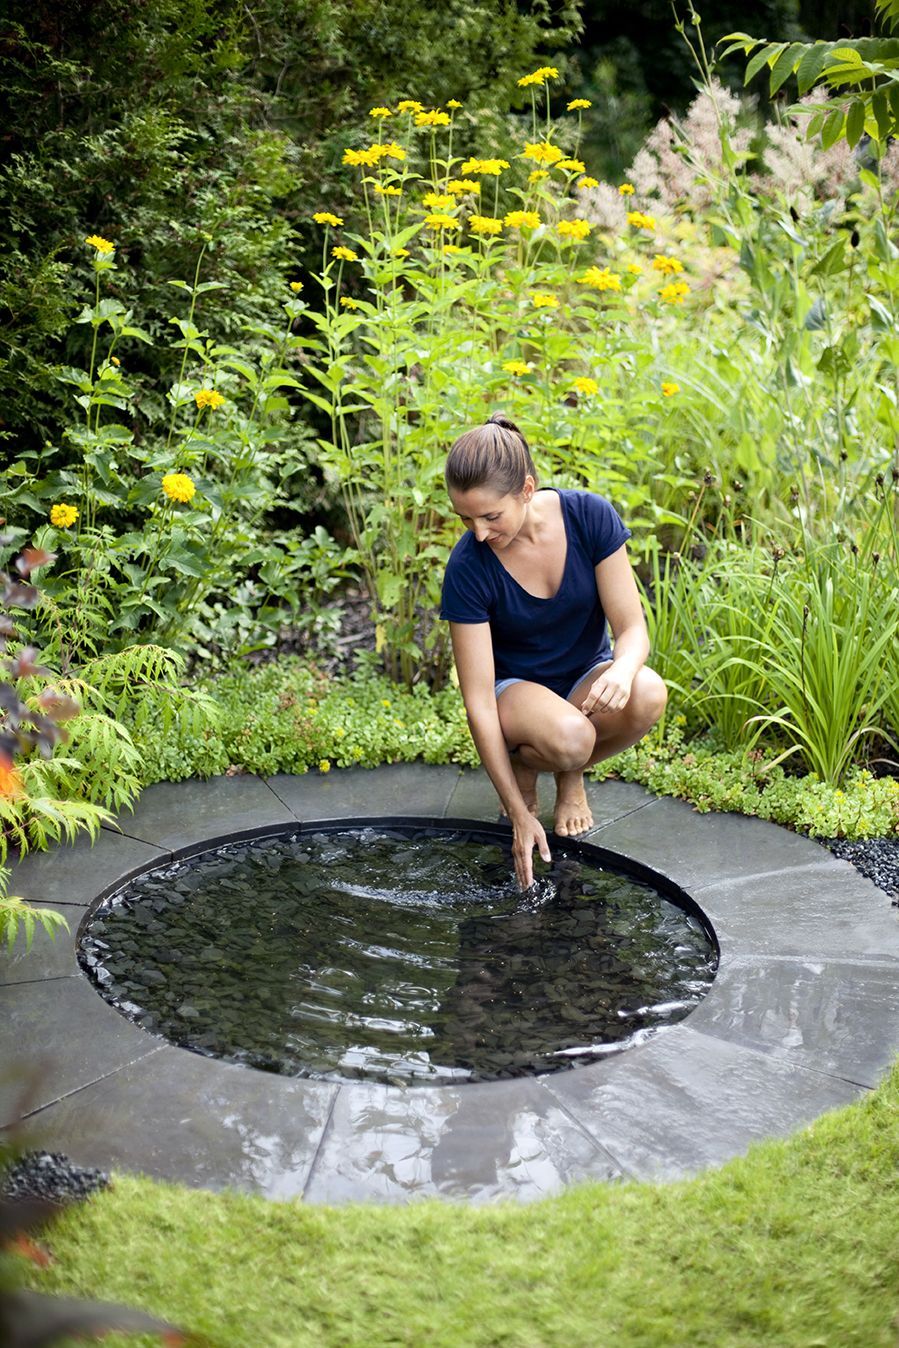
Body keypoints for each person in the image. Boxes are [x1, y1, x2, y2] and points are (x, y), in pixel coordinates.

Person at [440, 412, 667, 890]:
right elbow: (478, 703)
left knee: (646, 692)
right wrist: (520, 811)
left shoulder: (588, 517)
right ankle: (529, 762)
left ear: (526, 488)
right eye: (466, 518)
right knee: (570, 736)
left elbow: (632, 630)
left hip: (584, 674)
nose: (478, 533)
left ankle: (568, 776)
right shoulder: (468, 566)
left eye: (490, 516)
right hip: (514, 693)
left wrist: (623, 670)